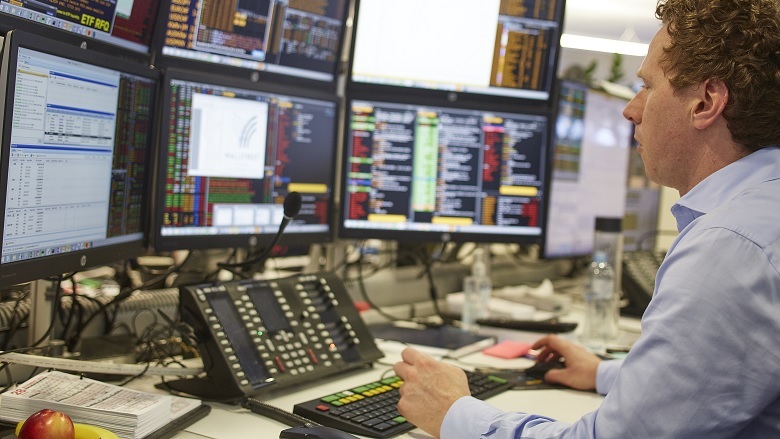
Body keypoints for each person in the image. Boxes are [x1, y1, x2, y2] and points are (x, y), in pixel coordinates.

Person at [393, 0, 780, 437]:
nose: (631, 109)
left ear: (705, 103)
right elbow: (713, 378)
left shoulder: (730, 246)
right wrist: (604, 373)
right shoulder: (761, 212)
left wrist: (452, 412)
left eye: (649, 87)